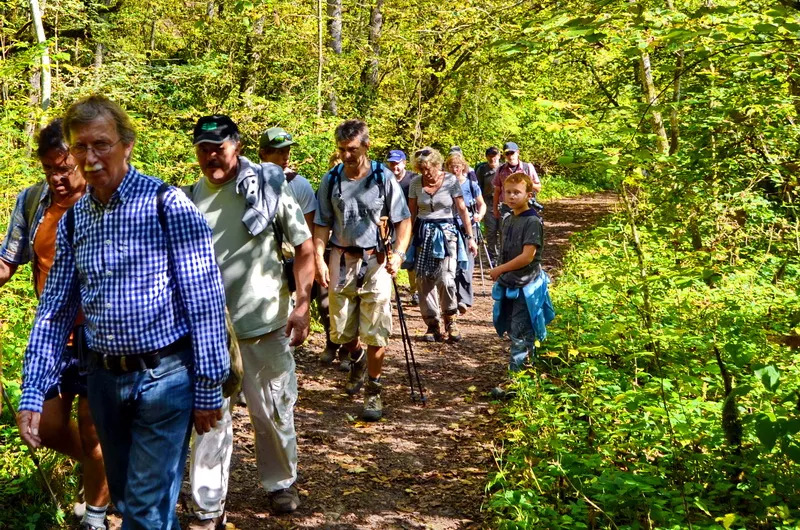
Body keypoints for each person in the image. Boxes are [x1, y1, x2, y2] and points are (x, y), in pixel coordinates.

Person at [15, 96, 229, 529]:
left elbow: (204, 302)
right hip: (104, 381)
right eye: (80, 148)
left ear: (126, 145)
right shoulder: (76, 220)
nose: (91, 159)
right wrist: (34, 390)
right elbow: (54, 312)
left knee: (145, 511)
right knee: (136, 501)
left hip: (165, 379)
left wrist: (209, 386)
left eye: (101, 145)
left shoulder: (167, 205)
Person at [186, 116, 314, 523]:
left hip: (265, 326)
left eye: (218, 148)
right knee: (210, 421)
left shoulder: (268, 190)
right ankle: (208, 506)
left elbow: (304, 246)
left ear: (236, 147)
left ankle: (280, 483)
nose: (211, 156)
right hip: (210, 334)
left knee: (273, 414)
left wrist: (303, 305)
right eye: (203, 148)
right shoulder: (186, 199)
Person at [0, 119, 110, 530]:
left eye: (65, 168)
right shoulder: (33, 203)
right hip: (54, 333)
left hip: (100, 335)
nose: (58, 179)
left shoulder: (103, 202)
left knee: (93, 428)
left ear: (82, 159)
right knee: (45, 425)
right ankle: (108, 470)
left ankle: (95, 516)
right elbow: (8, 260)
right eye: (50, 170)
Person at [314, 119, 412, 421]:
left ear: (366, 146)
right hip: (341, 260)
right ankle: (356, 359)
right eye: (342, 149)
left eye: (352, 149)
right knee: (341, 332)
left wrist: (398, 253)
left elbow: (403, 221)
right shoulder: (331, 179)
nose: (346, 155)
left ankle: (374, 388)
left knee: (376, 330)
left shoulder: (384, 178)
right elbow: (321, 223)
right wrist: (319, 258)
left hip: (377, 261)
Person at [489, 172, 553, 381]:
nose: (511, 196)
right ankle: (520, 374)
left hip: (528, 285)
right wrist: (502, 272)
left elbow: (527, 257)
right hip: (511, 283)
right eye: (508, 192)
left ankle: (519, 381)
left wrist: (500, 269)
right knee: (512, 327)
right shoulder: (509, 219)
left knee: (522, 332)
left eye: (517, 192)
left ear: (528, 194)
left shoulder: (532, 221)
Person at [408, 147, 477, 343]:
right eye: (421, 169)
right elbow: (410, 213)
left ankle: (450, 319)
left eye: (428, 169)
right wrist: (405, 241)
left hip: (447, 234)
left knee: (446, 278)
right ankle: (432, 324)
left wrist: (470, 237)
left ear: (437, 165)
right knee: (423, 279)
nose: (425, 173)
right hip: (423, 233)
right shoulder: (414, 183)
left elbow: (462, 209)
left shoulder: (450, 181)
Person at [445, 151, 486, 315]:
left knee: (466, 264)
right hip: (451, 227)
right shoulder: (445, 185)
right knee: (452, 264)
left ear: (463, 167)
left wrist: (479, 216)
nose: (455, 169)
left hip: (469, 228)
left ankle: (465, 299)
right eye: (452, 166)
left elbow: (482, 204)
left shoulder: (471, 185)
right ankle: (453, 297)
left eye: (458, 166)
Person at [386, 149, 421, 306]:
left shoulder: (413, 179)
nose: (394, 167)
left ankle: (415, 291)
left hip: (409, 225)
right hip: (388, 226)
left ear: (404, 163)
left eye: (397, 163)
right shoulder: (384, 179)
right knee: (388, 258)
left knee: (410, 260)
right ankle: (387, 292)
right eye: (392, 163)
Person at [491, 142, 541, 223]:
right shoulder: (501, 170)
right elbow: (497, 190)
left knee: (525, 231)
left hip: (525, 206)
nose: (510, 156)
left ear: (518, 152)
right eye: (507, 153)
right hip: (506, 207)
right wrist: (495, 209)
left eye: (512, 153)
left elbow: (538, 188)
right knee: (506, 233)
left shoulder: (527, 167)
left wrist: (526, 182)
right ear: (504, 155)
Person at [475, 146, 501, 264]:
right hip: (488, 203)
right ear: (486, 157)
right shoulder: (481, 170)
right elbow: (477, 188)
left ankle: (504, 256)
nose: (493, 158)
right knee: (490, 232)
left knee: (503, 231)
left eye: (495, 155)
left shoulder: (503, 169)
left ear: (499, 156)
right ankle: (493, 258)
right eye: (490, 156)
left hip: (503, 204)